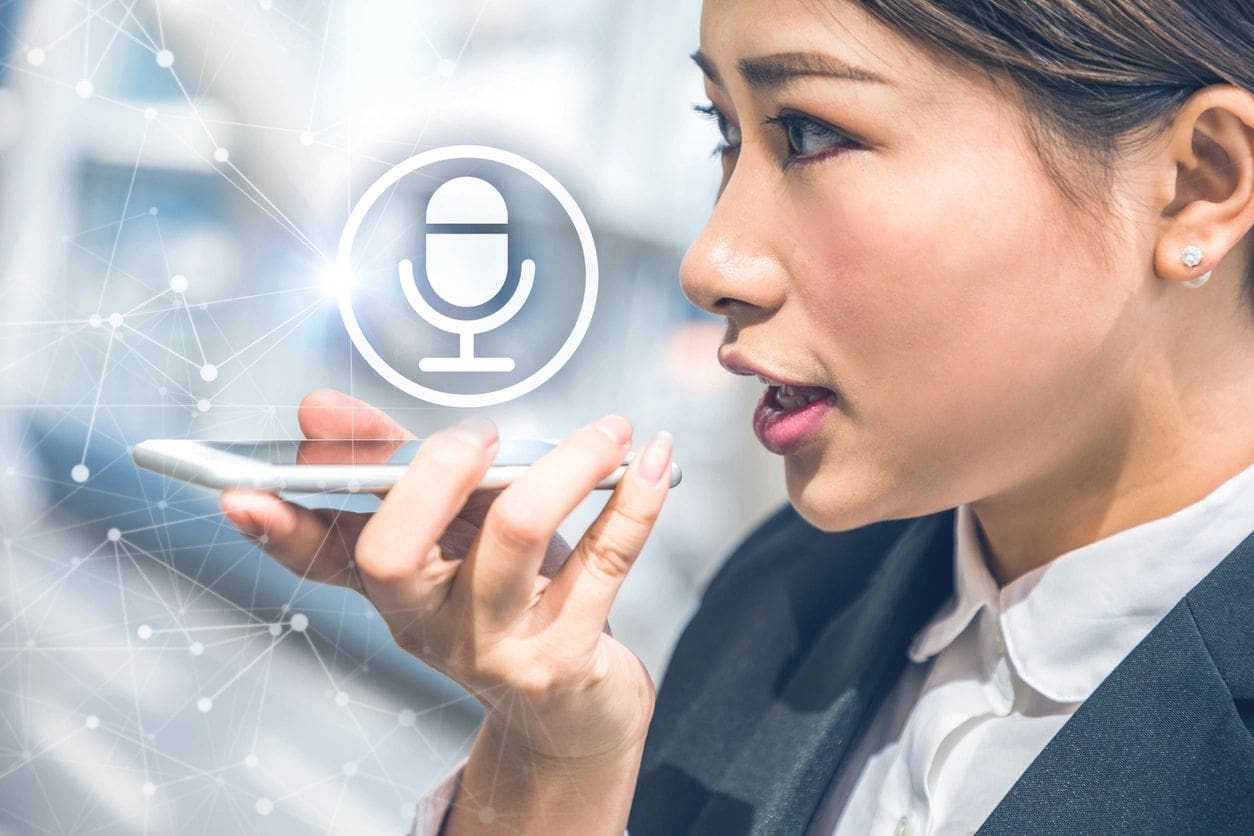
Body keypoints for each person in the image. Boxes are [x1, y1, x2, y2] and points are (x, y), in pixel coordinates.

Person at [220, 0, 1254, 832]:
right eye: (727, 133)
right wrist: (553, 759)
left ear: (1198, 185)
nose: (709, 262)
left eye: (810, 133)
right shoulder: (782, 598)